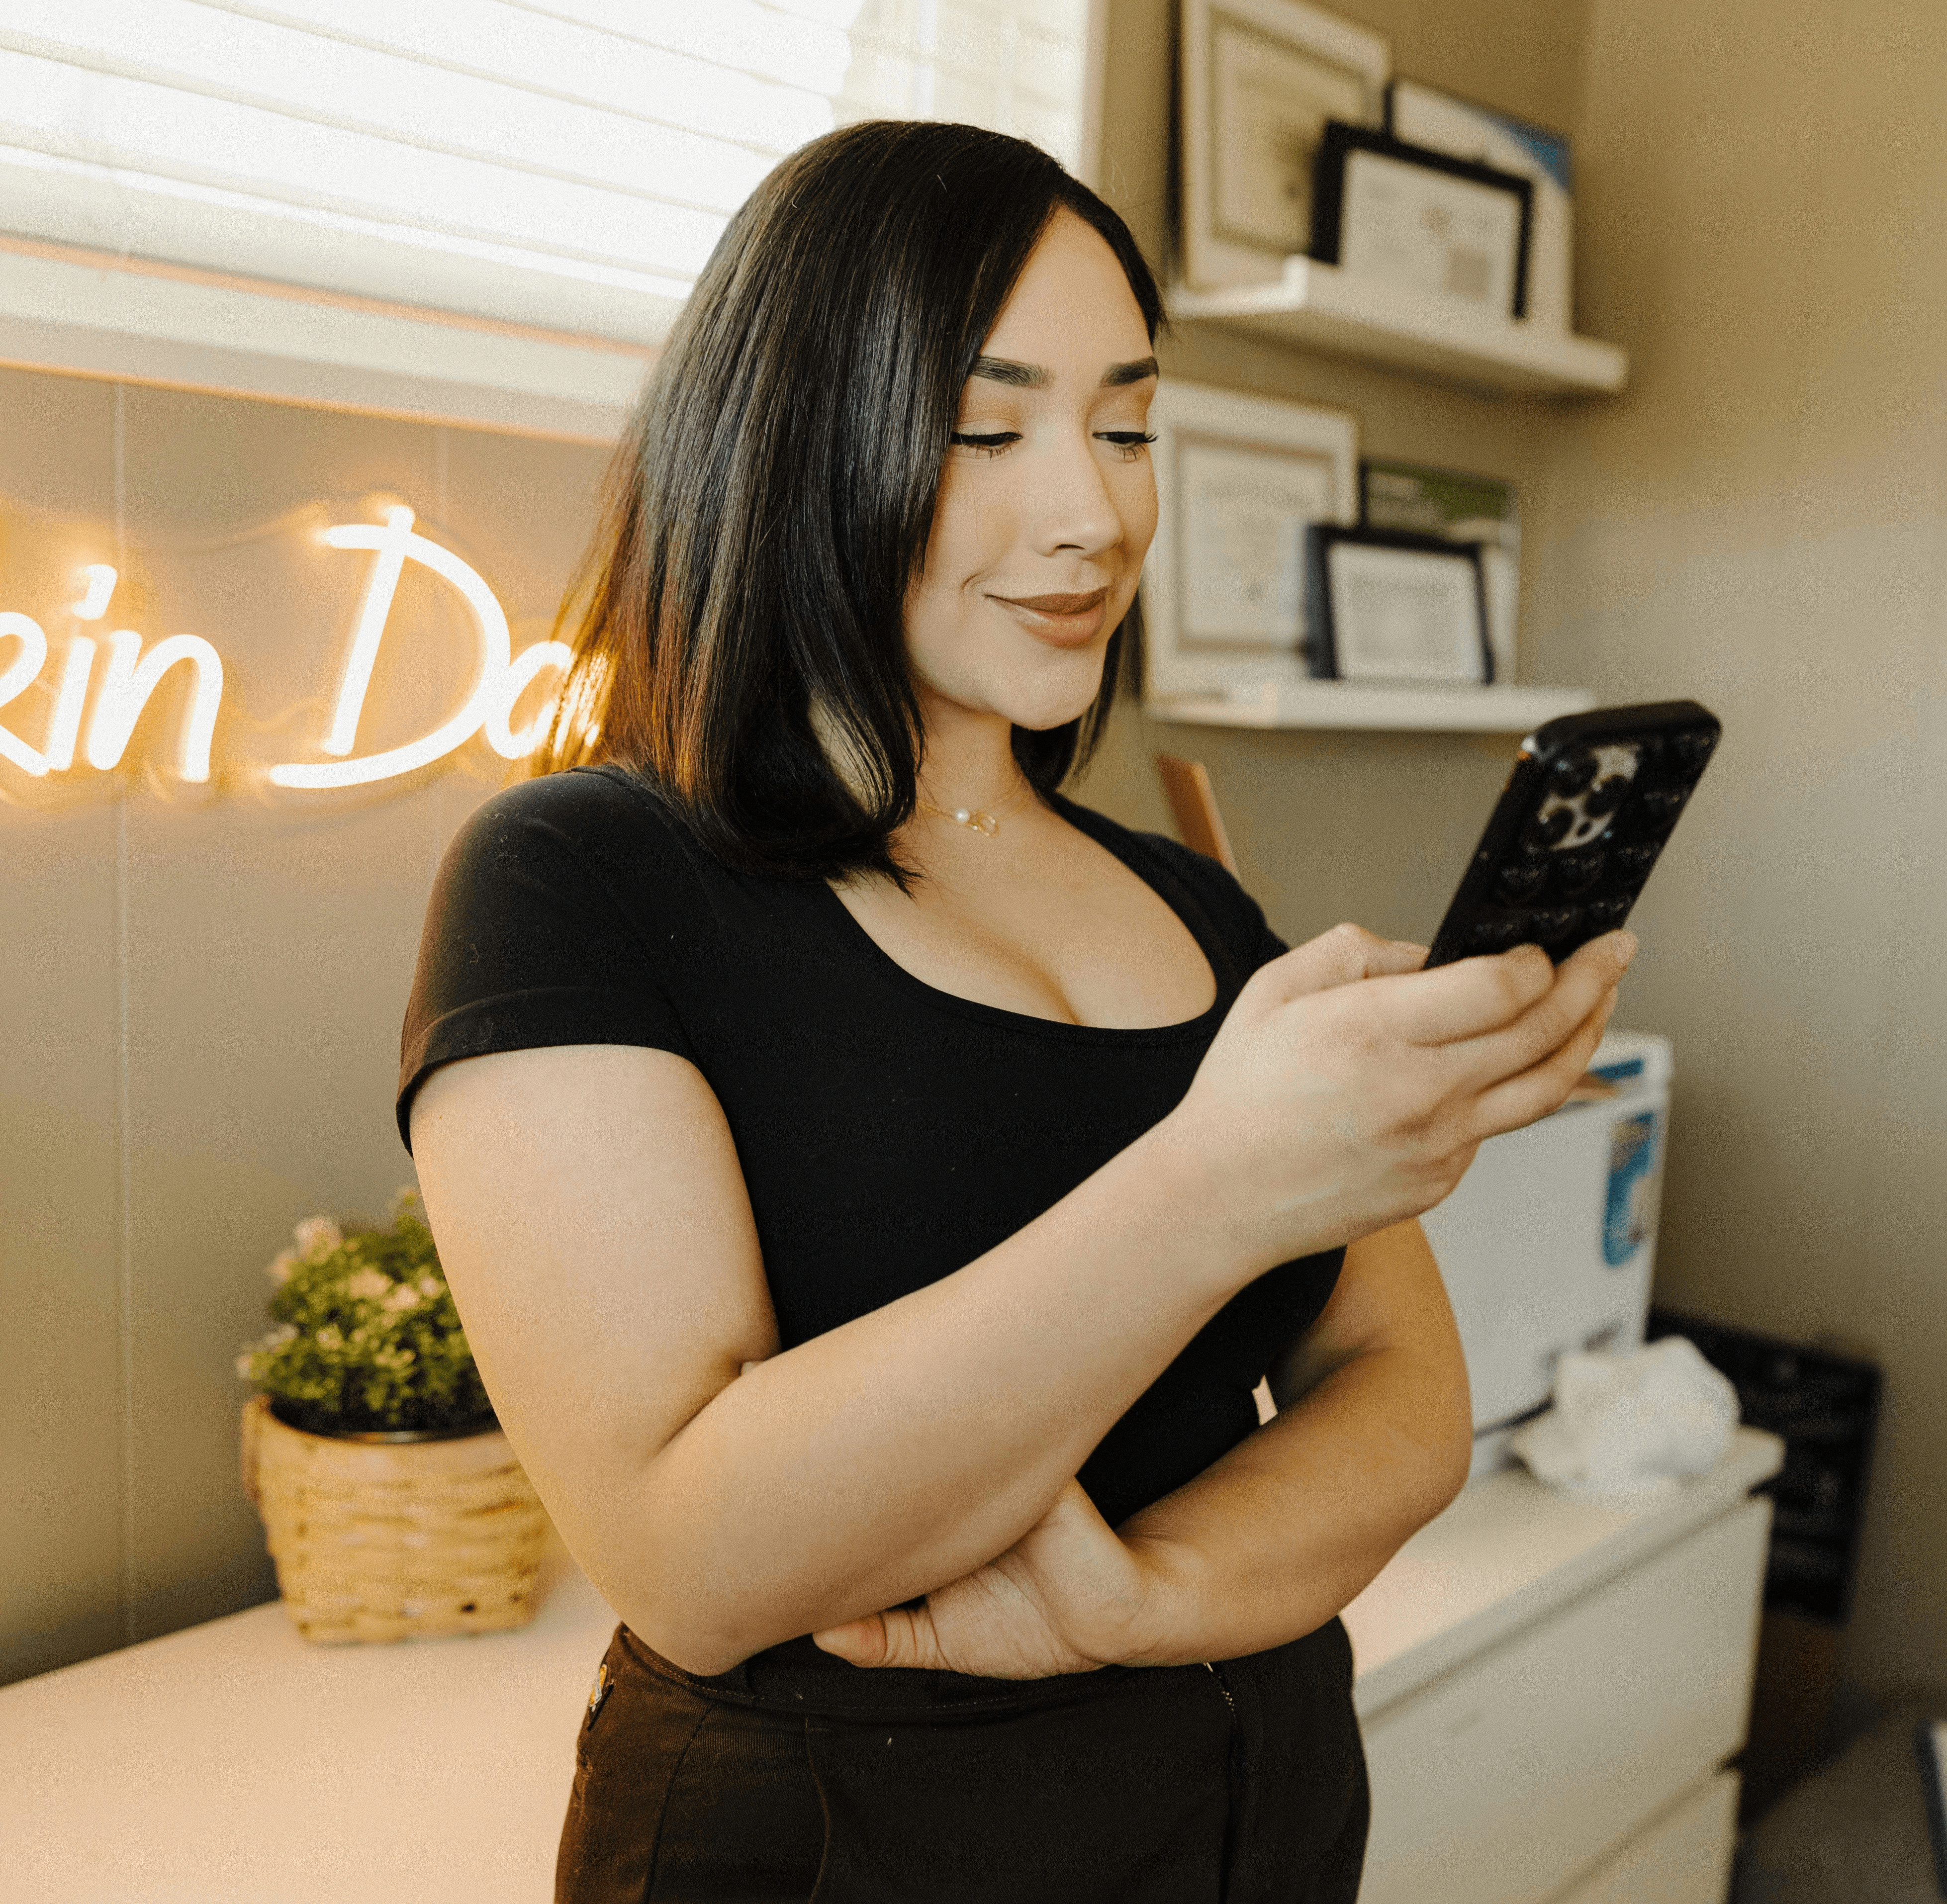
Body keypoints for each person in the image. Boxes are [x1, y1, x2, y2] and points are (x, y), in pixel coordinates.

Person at [396, 120, 1632, 1904]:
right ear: (790, 436)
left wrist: (1137, 1601)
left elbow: (1399, 1391)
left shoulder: (1194, 899)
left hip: (1250, 1798)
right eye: (991, 429)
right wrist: (1224, 1179)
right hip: (846, 1842)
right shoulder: (584, 875)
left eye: (1129, 425)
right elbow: (692, 1550)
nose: (1098, 509)